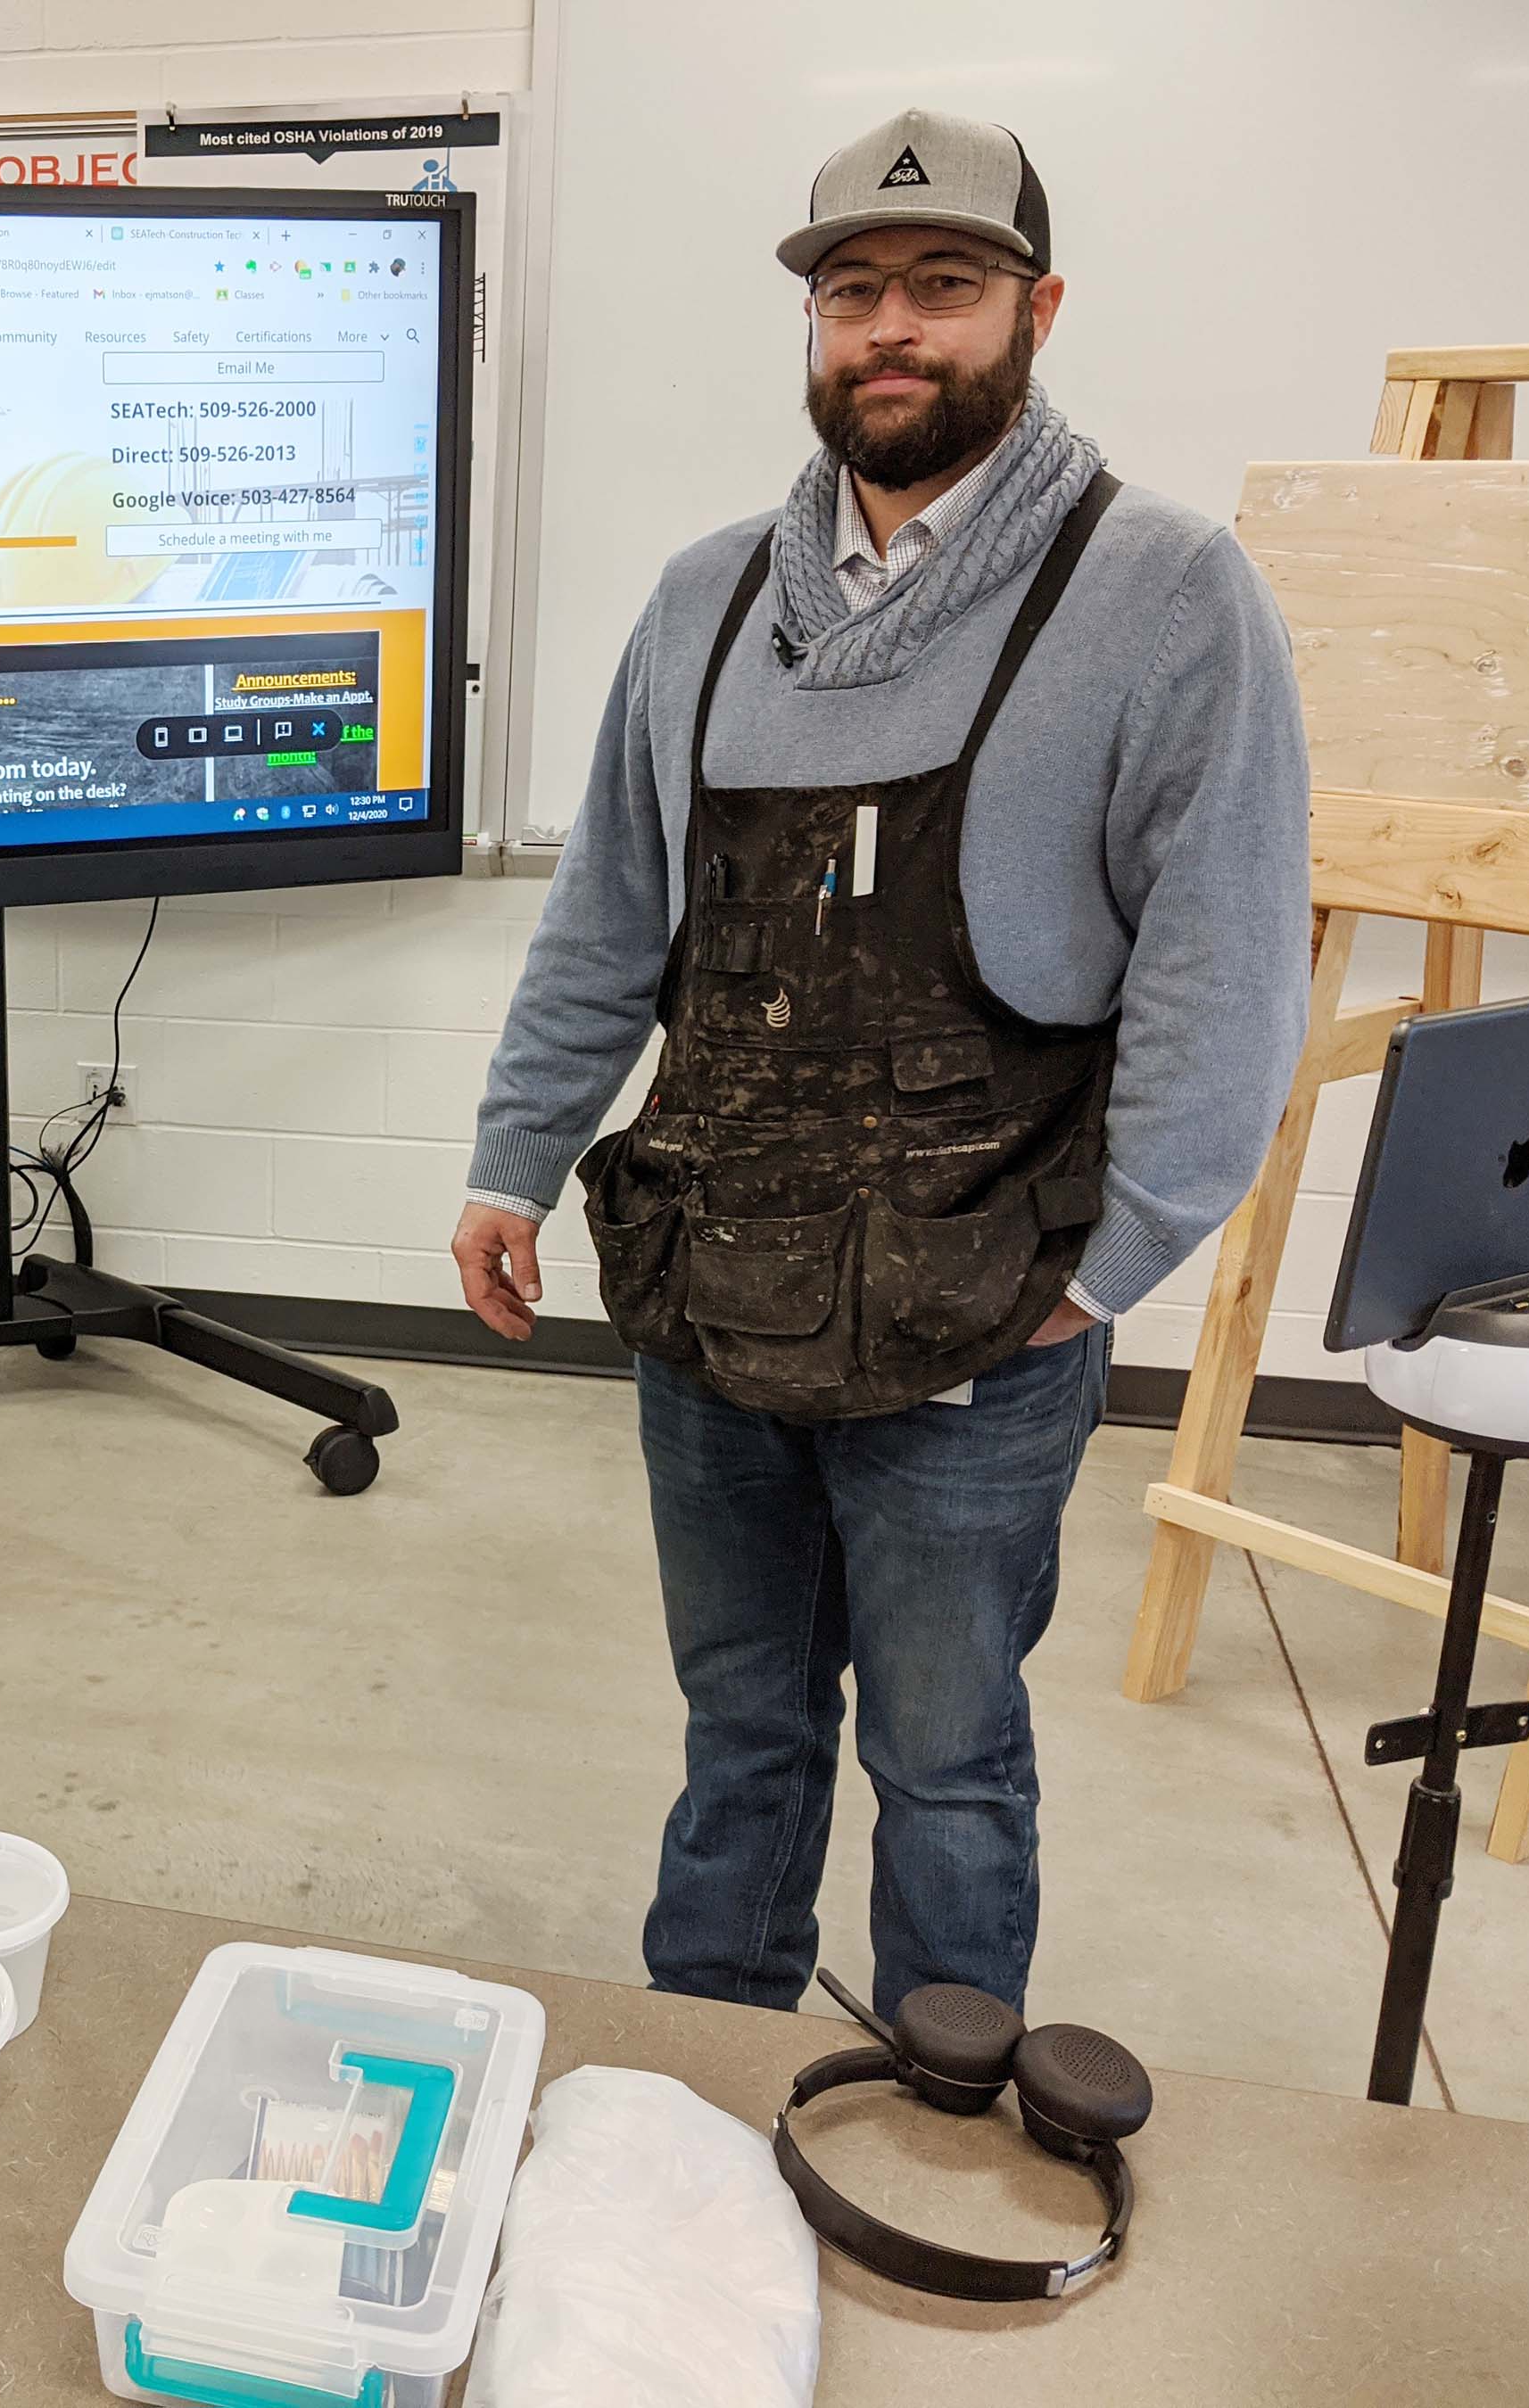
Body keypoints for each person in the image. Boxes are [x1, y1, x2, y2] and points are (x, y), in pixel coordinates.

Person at [452, 109, 1311, 2017]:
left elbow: (1227, 971)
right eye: (855, 292)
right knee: (742, 1734)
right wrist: (515, 1157)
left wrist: (1101, 1272)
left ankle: (946, 2095)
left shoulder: (1166, 593)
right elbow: (608, 922)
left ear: (1037, 311)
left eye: (945, 285)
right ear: (815, 324)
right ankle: (705, 2073)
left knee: (946, 1757)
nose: (893, 328)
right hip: (714, 1295)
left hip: (981, 1316)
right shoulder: (705, 601)